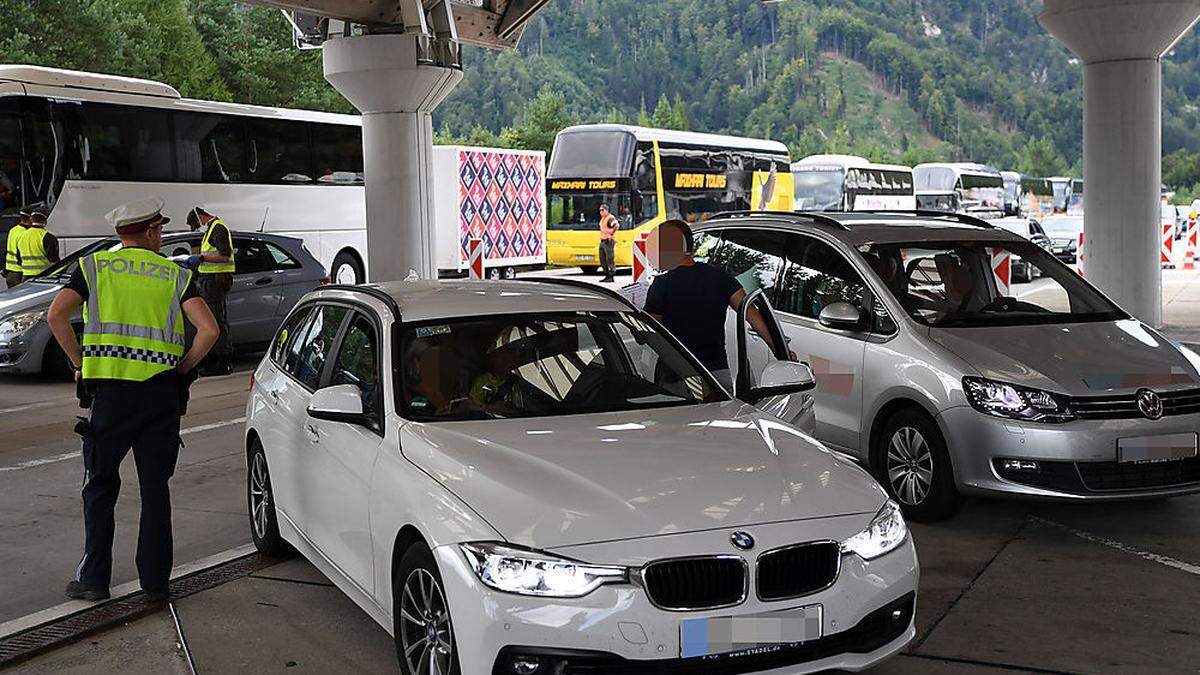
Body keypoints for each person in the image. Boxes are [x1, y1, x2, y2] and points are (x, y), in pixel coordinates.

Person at [46, 196, 218, 603]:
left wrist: (80, 363)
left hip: (109, 397)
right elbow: (208, 331)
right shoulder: (174, 275)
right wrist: (181, 370)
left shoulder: (94, 268)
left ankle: (93, 580)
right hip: (159, 398)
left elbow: (56, 315)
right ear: (152, 232)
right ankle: (155, 585)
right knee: (155, 491)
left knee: (100, 486)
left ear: (122, 234)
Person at [644, 219, 791, 392]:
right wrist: (782, 351)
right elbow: (752, 313)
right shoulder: (720, 277)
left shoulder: (662, 284)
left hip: (677, 378)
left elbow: (647, 332)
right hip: (718, 375)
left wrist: (633, 313)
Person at [186, 206, 235, 375]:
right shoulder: (212, 229)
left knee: (216, 321)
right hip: (210, 280)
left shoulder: (218, 228)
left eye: (197, 223)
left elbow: (225, 255)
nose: (199, 226)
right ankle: (216, 362)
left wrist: (201, 257)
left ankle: (220, 363)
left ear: (201, 215)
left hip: (216, 281)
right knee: (214, 320)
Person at [17, 206, 58, 279]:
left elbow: (18, 259)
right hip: (43, 277)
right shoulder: (48, 237)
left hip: (26, 277)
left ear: (31, 219)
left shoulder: (21, 236)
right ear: (46, 221)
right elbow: (54, 262)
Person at [4, 206, 30, 288]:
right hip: (19, 273)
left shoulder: (13, 230)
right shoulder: (25, 233)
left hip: (11, 272)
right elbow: (21, 254)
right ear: (30, 219)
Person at [597, 203, 619, 282]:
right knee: (602, 258)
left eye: (602, 210)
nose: (601, 212)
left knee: (609, 258)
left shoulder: (610, 218)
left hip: (608, 241)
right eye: (600, 210)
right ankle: (606, 275)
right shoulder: (603, 218)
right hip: (603, 241)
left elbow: (616, 225)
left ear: (606, 210)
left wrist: (612, 234)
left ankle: (611, 275)